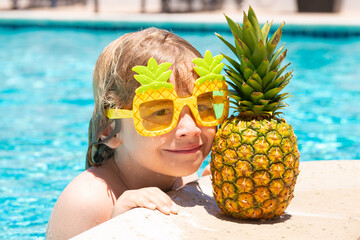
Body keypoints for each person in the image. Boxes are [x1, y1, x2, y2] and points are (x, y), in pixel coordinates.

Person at [46, 27, 228, 239]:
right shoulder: (86, 201)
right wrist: (118, 228)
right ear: (110, 130)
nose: (191, 129)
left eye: (205, 105)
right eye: (160, 111)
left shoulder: (185, 176)